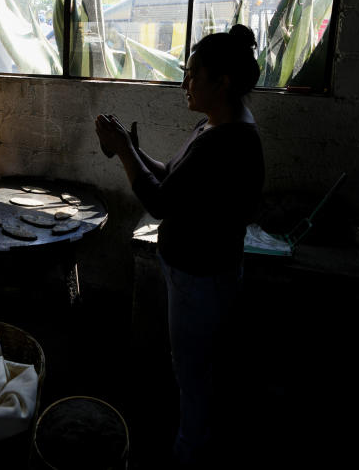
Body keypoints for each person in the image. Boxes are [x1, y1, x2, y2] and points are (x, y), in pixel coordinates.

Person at [94, 25, 264, 467]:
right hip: (193, 271)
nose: (184, 83)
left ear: (222, 82)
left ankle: (189, 452)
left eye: (192, 75)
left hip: (202, 277)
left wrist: (125, 152)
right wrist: (131, 146)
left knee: (192, 371)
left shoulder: (230, 143)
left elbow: (159, 200)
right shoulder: (213, 126)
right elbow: (170, 173)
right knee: (193, 364)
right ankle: (196, 436)